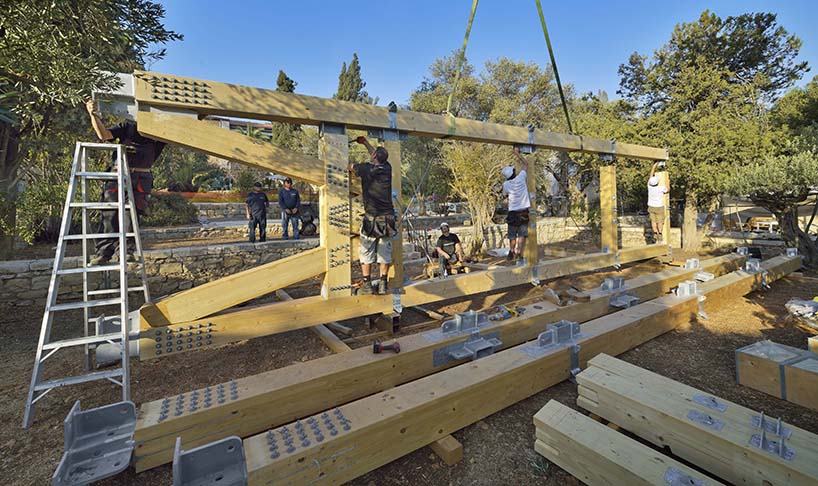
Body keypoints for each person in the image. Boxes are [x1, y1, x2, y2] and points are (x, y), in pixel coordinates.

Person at [86, 99, 165, 265]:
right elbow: (104, 135)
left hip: (141, 178)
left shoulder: (159, 132)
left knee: (133, 215)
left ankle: (126, 251)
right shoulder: (127, 127)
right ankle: (104, 253)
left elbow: (181, 132)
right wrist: (93, 115)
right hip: (118, 176)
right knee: (110, 214)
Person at [349, 136, 396, 295]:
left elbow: (349, 167)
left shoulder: (366, 169)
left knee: (366, 251)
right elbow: (376, 155)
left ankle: (367, 284)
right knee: (384, 252)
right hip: (388, 219)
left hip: (372, 219)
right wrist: (365, 143)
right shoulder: (387, 167)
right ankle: (383, 284)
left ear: (375, 157)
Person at [501, 147, 531, 262]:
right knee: (522, 234)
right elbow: (526, 163)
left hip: (513, 212)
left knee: (512, 235)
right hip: (523, 211)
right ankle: (519, 253)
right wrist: (517, 154)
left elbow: (504, 195)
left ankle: (511, 251)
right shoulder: (521, 178)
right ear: (513, 173)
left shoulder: (506, 185)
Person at [647, 162, 669, 242]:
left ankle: (655, 232)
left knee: (653, 221)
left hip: (651, 206)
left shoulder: (649, 186)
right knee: (660, 222)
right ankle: (660, 233)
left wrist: (654, 166)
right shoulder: (660, 188)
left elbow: (651, 175)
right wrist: (668, 181)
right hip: (659, 207)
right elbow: (668, 189)